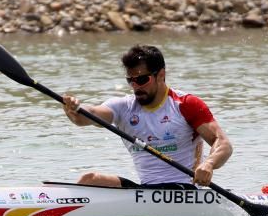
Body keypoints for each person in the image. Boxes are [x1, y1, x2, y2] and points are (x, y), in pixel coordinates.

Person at [62, 45, 233, 189]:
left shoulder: (186, 104)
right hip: (146, 190)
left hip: (186, 189)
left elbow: (223, 143)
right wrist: (76, 108)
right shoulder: (123, 107)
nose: (136, 86)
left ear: (161, 75)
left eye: (142, 79)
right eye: (131, 80)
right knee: (89, 180)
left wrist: (209, 163)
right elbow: (88, 115)